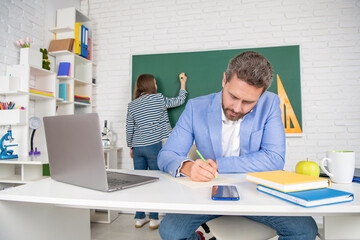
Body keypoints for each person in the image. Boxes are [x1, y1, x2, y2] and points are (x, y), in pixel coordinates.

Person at [157, 51, 318, 239]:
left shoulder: (271, 103)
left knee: (305, 230)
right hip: (208, 189)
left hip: (256, 190)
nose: (237, 108)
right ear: (224, 80)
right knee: (170, 232)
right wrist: (187, 166)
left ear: (262, 94)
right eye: (233, 96)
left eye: (248, 102)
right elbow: (167, 154)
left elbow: (274, 160)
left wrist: (219, 165)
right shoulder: (195, 107)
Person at [126, 73, 188, 230]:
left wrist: (131, 146)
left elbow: (129, 128)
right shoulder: (159, 99)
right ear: (150, 85)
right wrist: (183, 84)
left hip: (138, 146)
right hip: (153, 146)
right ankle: (153, 218)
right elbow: (179, 101)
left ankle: (139, 218)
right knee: (154, 182)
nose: (156, 86)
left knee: (139, 183)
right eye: (155, 83)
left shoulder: (132, 105)